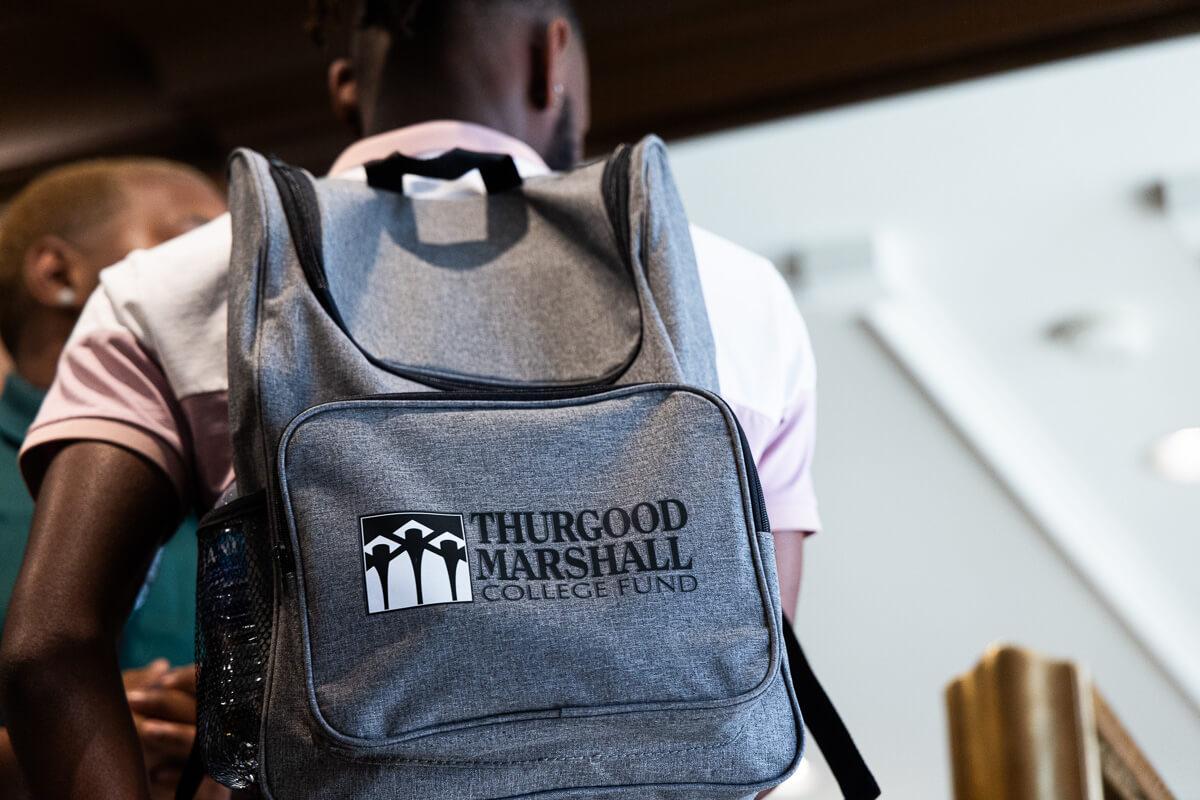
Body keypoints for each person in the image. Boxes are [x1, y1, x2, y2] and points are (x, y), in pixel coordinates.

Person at [0, 2, 818, 798]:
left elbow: (50, 649)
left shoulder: (174, 285)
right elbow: (754, 651)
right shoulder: (733, 293)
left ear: (345, 85)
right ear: (552, 58)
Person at [0, 159, 228, 798]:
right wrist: (55, 736)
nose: (234, 266)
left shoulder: (263, 475)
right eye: (195, 236)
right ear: (58, 274)